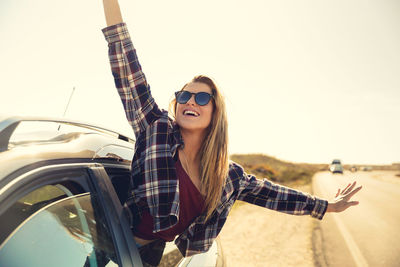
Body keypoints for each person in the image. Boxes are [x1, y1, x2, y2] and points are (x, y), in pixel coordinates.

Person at [101, 1, 362, 266]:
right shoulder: (155, 129)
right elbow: (127, 70)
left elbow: (272, 195)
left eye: (202, 97)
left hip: (149, 256)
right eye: (184, 95)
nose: (190, 101)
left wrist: (326, 206)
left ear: (216, 113)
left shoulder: (227, 176)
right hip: (109, 245)